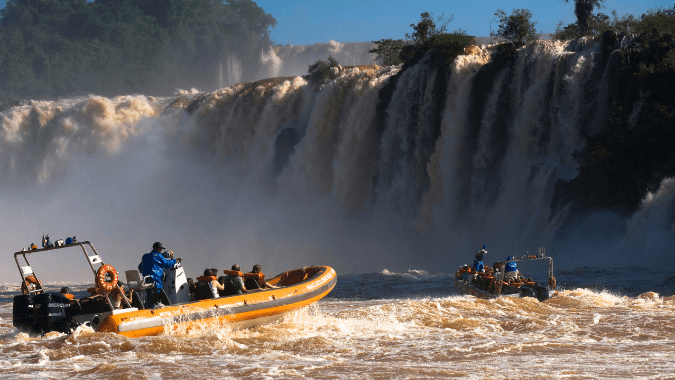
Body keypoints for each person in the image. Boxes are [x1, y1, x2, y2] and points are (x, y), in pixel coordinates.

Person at [138, 242, 180, 308]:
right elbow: (166, 264)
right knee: (158, 297)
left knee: (148, 297)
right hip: (155, 280)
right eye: (160, 249)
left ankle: (148, 309)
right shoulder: (158, 256)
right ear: (157, 248)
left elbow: (140, 268)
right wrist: (175, 260)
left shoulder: (145, 256)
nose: (161, 250)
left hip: (146, 281)